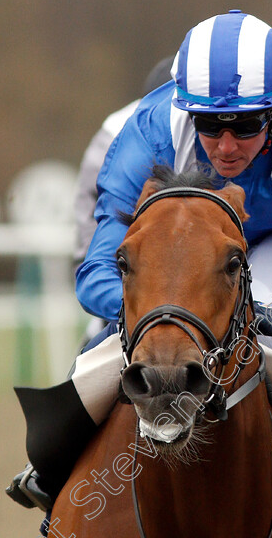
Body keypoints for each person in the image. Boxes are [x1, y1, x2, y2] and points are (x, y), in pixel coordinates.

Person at [10, 11, 272, 532]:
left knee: (271, 340)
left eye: (245, 126)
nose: (225, 147)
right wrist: (150, 312)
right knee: (116, 344)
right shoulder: (148, 132)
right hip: (193, 243)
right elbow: (101, 269)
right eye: (209, 125)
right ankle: (52, 469)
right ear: (185, 110)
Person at [73, 56, 174, 343]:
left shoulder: (217, 131)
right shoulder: (114, 136)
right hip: (131, 285)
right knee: (86, 373)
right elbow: (90, 239)